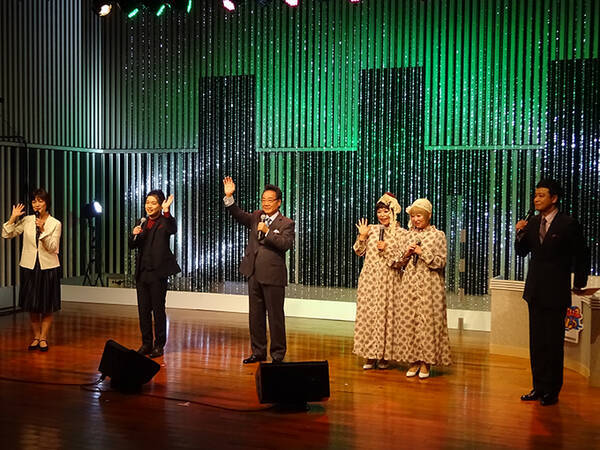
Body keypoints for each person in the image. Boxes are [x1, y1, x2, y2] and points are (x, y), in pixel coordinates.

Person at [515, 178, 589, 406]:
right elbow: (521, 252)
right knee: (536, 342)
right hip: (534, 290)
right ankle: (538, 387)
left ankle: (552, 390)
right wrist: (519, 232)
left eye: (541, 195)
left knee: (553, 343)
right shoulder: (533, 222)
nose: (536, 199)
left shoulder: (568, 224)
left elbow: (582, 254)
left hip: (556, 291)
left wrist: (580, 282)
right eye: (535, 195)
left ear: (554, 198)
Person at [222, 176, 295, 364]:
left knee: (275, 317)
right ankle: (258, 352)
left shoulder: (286, 223)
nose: (266, 203)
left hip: (273, 276)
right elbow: (239, 215)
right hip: (253, 273)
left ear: (279, 202)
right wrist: (229, 197)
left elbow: (285, 244)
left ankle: (277, 354)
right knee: (255, 316)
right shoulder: (256, 216)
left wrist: (268, 232)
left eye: (270, 200)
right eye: (263, 200)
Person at [396, 198, 452, 379]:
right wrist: (407, 254)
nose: (416, 219)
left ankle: (426, 362)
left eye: (419, 216)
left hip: (430, 286)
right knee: (409, 321)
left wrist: (423, 253)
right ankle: (413, 360)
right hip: (409, 284)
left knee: (427, 322)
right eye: (413, 216)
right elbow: (398, 262)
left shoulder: (438, 235)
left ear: (428, 216)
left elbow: (441, 262)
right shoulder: (407, 235)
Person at [2, 188, 62, 351]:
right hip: (29, 266)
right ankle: (36, 336)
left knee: (47, 305)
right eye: (34, 201)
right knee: (32, 304)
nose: (36, 204)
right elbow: (7, 234)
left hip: (48, 267)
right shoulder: (28, 220)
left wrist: (43, 230)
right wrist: (13, 217)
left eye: (40, 201)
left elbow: (53, 248)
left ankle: (44, 338)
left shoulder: (55, 223)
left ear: (47, 203)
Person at [353, 192, 407, 370]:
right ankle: (370, 355)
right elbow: (359, 251)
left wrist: (387, 249)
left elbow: (401, 260)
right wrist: (362, 236)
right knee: (369, 316)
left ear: (393, 212)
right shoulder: (372, 230)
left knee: (387, 317)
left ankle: (384, 355)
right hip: (370, 280)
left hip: (390, 280)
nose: (382, 215)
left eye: (386, 211)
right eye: (379, 211)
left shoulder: (402, 233)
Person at [130, 190, 181, 358]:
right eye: (147, 202)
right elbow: (132, 245)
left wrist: (167, 211)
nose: (149, 206)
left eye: (153, 203)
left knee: (158, 311)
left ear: (160, 205)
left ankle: (159, 345)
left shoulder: (164, 221)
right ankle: (146, 343)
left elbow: (172, 228)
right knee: (143, 311)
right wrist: (134, 235)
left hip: (157, 274)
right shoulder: (142, 222)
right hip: (142, 273)